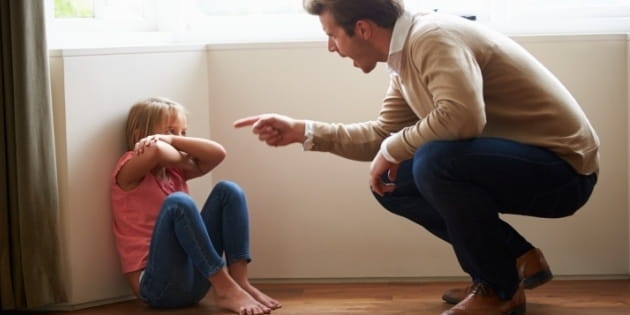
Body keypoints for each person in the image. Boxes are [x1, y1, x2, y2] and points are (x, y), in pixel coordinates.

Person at [233, 0, 599, 314]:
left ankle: (498, 288)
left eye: (332, 35)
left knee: (434, 162)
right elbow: (381, 136)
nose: (330, 47)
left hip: (563, 171)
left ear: (361, 28)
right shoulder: (403, 57)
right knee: (396, 183)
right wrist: (303, 131)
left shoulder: (432, 37)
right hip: (524, 164)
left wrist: (393, 148)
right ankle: (513, 260)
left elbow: (462, 118)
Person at [111, 97, 281, 315]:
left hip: (195, 282)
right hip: (157, 287)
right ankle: (225, 288)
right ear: (138, 135)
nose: (178, 139)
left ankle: (239, 283)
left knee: (229, 191)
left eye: (183, 133)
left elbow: (218, 152)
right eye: (170, 131)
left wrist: (168, 139)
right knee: (179, 203)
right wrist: (178, 153)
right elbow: (156, 152)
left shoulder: (174, 172)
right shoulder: (128, 169)